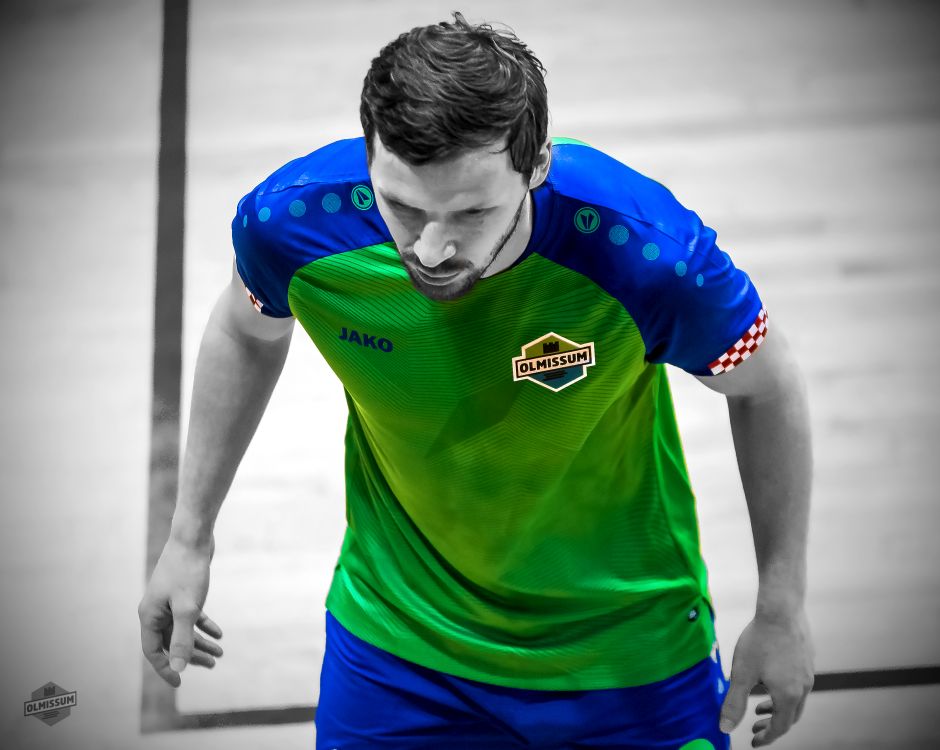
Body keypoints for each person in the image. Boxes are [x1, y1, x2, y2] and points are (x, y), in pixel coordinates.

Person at [138, 11, 815, 749]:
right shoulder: (295, 224)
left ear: (538, 165)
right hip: (400, 648)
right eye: (403, 207)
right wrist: (189, 538)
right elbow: (244, 330)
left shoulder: (646, 256)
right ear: (369, 156)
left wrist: (781, 607)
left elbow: (767, 386)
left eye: (471, 212)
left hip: (628, 658)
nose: (431, 248)